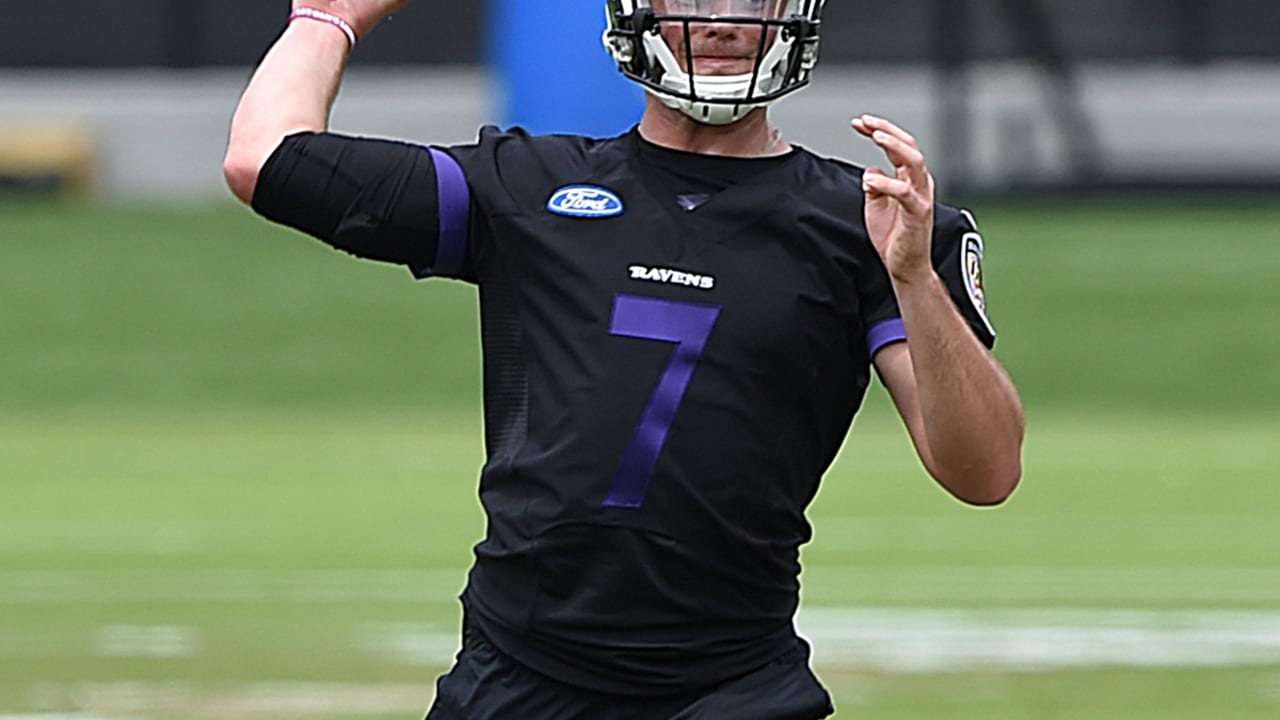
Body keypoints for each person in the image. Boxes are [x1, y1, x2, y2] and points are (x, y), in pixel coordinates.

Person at [224, 0, 1026, 717]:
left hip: (733, 683)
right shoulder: (525, 187)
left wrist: (916, 281)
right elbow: (266, 160)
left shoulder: (876, 223)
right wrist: (328, 18)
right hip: (519, 671)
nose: (720, 20)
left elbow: (984, 472)